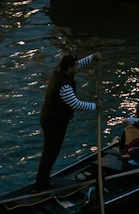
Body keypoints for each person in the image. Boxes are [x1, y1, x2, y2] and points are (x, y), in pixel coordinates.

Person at [38, 52, 100, 187]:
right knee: (50, 154)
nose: (78, 68)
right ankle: (41, 185)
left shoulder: (59, 73)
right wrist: (95, 106)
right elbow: (76, 104)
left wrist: (91, 58)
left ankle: (42, 181)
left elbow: (79, 65)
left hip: (52, 120)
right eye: (75, 66)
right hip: (54, 123)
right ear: (69, 68)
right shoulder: (64, 86)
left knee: (50, 153)